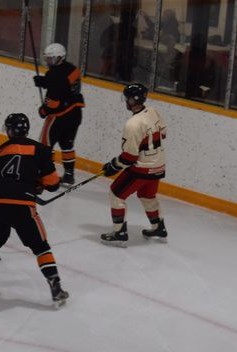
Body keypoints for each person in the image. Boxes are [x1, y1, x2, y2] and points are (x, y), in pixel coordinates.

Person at [0, 113, 69, 307]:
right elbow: (52, 184)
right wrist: (46, 183)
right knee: (40, 246)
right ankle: (55, 285)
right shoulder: (41, 150)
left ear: (9, 130)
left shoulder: (0, 151)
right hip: (23, 206)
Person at [100, 83, 168, 247]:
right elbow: (163, 133)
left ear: (132, 100)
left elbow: (129, 157)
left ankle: (119, 233)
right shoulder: (153, 111)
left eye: (127, 98)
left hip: (142, 169)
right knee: (147, 196)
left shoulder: (133, 124)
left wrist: (113, 166)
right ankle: (159, 228)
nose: (125, 101)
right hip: (158, 166)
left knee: (116, 194)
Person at [33, 43, 85, 186]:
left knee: (45, 146)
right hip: (75, 115)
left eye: (51, 59)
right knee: (67, 145)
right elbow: (63, 85)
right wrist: (44, 82)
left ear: (59, 58)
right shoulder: (73, 69)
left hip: (59, 116)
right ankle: (69, 175)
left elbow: (54, 102)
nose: (49, 62)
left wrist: (43, 111)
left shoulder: (53, 74)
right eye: (47, 59)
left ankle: (47, 176)